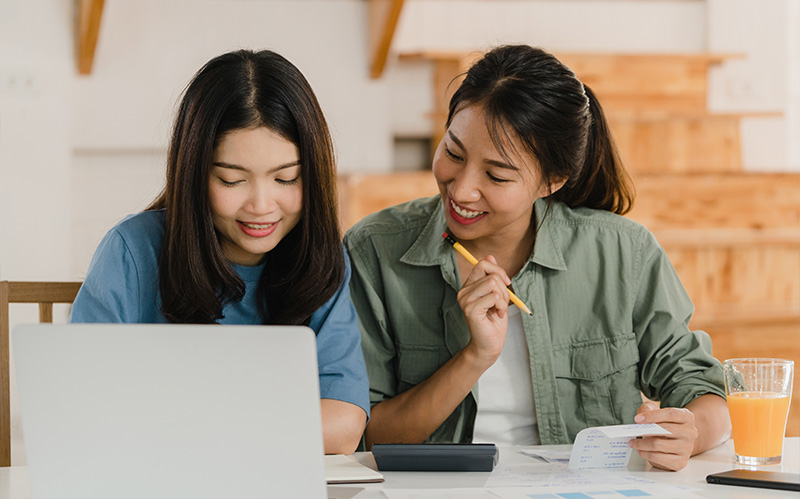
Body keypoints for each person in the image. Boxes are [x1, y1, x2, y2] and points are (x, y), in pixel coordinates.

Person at [343, 45, 730, 470]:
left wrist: (689, 433)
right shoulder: (374, 251)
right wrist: (475, 357)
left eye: (496, 175)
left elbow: (703, 389)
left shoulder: (622, 253)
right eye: (453, 152)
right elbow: (368, 433)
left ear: (552, 181)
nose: (462, 189)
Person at [70, 49, 369, 454]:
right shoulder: (132, 251)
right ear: (194, 174)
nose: (262, 205)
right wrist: (275, 421)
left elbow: (343, 426)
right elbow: (83, 408)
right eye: (232, 181)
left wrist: (183, 420)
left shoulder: (319, 260)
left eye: (286, 178)